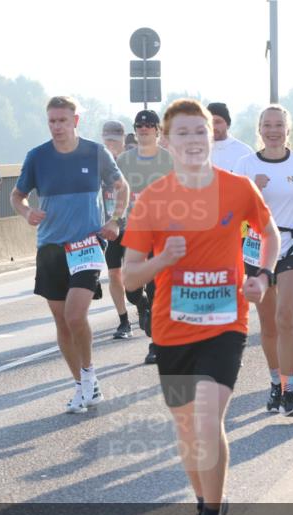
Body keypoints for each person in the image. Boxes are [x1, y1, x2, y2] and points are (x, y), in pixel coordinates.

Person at [122, 99, 279, 515]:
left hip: (225, 324)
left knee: (208, 420)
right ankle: (205, 502)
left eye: (200, 132)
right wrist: (162, 260)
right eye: (183, 133)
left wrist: (262, 275)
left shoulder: (237, 188)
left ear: (211, 137)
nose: (193, 140)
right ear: (166, 142)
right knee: (189, 431)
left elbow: (269, 234)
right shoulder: (152, 200)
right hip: (172, 330)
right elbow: (129, 278)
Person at [10, 96, 129, 414]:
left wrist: (115, 220)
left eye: (63, 120)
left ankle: (88, 376)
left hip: (87, 244)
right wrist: (27, 212)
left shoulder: (95, 152)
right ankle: (81, 385)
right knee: (62, 322)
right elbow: (17, 195)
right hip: (50, 248)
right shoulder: (37, 157)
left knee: (75, 316)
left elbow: (122, 187)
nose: (57, 127)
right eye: (52, 121)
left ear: (75, 121)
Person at [234, 104, 293, 416]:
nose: (273, 131)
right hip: (257, 249)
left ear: (288, 130)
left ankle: (290, 391)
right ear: (259, 129)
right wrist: (253, 190)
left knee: (286, 318)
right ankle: (275, 382)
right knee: (268, 324)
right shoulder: (245, 165)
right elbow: (230, 209)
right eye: (267, 125)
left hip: (292, 246)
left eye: (279, 125)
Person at [116, 109, 174, 365]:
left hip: (160, 233)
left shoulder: (169, 159)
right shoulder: (124, 160)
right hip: (132, 231)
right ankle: (141, 305)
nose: (143, 129)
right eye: (139, 125)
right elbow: (115, 191)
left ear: (157, 130)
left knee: (156, 288)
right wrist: (114, 218)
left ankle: (156, 345)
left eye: (149, 125)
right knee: (130, 287)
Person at [100, 120, 134, 340]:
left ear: (123, 139)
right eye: (107, 139)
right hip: (109, 226)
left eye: (114, 139)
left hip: (134, 224)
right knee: (114, 273)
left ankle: (141, 302)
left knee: (132, 275)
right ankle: (124, 321)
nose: (110, 143)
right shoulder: (98, 160)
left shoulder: (132, 161)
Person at [207, 102, 253, 171]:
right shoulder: (197, 151)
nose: (213, 127)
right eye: (210, 122)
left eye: (218, 122)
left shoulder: (244, 152)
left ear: (228, 124)